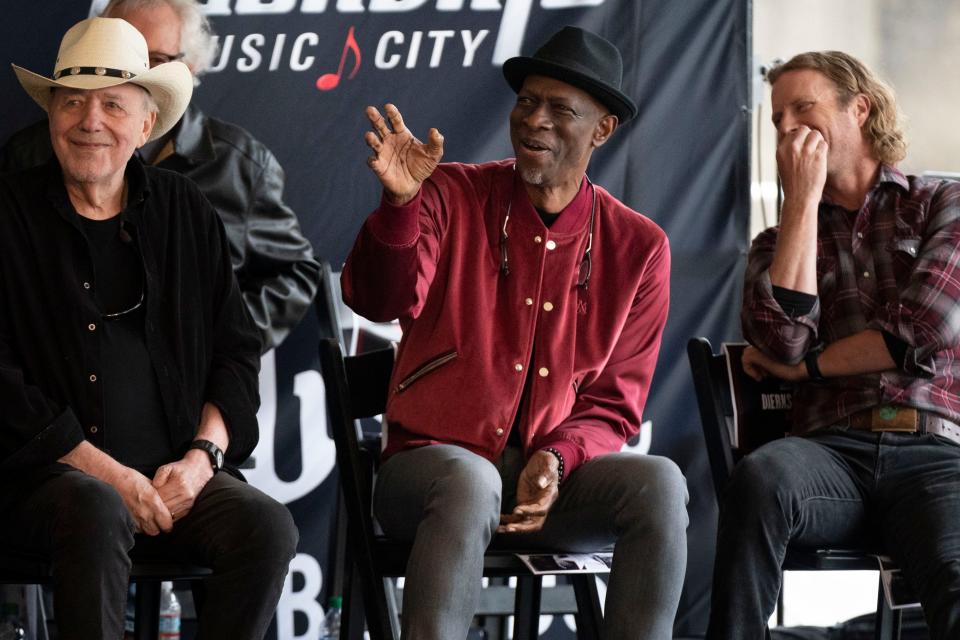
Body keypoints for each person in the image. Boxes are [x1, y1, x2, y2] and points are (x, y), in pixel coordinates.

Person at [342, 25, 689, 640]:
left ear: (602, 130)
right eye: (528, 101)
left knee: (658, 483)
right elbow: (377, 299)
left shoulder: (639, 247)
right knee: (470, 480)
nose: (536, 120)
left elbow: (615, 404)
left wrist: (557, 458)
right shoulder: (447, 192)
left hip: (547, 488)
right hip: (428, 475)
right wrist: (399, 207)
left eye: (561, 109)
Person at [0, 17, 298, 639]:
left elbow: (235, 352)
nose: (91, 121)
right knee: (97, 506)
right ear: (51, 114)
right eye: (73, 101)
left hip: (175, 476)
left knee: (266, 527)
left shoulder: (186, 210)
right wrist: (110, 476)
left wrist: (200, 459)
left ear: (145, 124)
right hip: (43, 481)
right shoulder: (8, 213)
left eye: (113, 104)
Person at [707, 51, 960, 640]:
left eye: (804, 108)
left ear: (859, 109)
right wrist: (800, 204)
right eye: (777, 120)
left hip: (933, 448)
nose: (788, 128)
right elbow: (781, 340)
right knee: (760, 480)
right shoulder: (776, 241)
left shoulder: (941, 203)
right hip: (828, 454)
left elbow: (922, 334)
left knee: (954, 568)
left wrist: (810, 370)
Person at [1, 0, 321, 352]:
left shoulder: (240, 165)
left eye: (154, 61)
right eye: (121, 51)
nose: (135, 73)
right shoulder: (29, 155)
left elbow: (293, 272)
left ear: (191, 65)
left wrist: (214, 344)